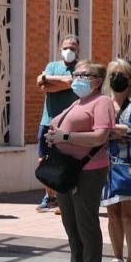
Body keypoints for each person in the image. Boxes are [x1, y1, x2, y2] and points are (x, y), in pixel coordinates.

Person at [44, 60, 114, 262]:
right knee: (71, 224)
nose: (77, 78)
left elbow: (99, 137)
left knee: (86, 224)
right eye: (76, 74)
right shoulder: (78, 101)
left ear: (97, 79)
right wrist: (54, 138)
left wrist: (64, 135)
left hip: (88, 170)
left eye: (83, 74)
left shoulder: (101, 102)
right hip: (66, 170)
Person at [101, 59, 131, 262]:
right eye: (113, 74)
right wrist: (114, 130)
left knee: (129, 215)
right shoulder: (103, 103)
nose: (117, 78)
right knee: (112, 215)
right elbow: (93, 130)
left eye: (122, 74)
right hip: (106, 167)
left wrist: (106, 130)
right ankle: (117, 258)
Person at [36, 35, 81, 212]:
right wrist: (63, 83)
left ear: (78, 50)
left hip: (68, 122)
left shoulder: (81, 68)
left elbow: (71, 82)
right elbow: (42, 85)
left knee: (64, 160)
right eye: (65, 47)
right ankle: (50, 196)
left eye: (72, 48)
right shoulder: (52, 66)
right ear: (60, 49)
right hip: (47, 121)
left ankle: (65, 197)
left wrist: (50, 80)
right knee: (43, 159)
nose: (68, 51)